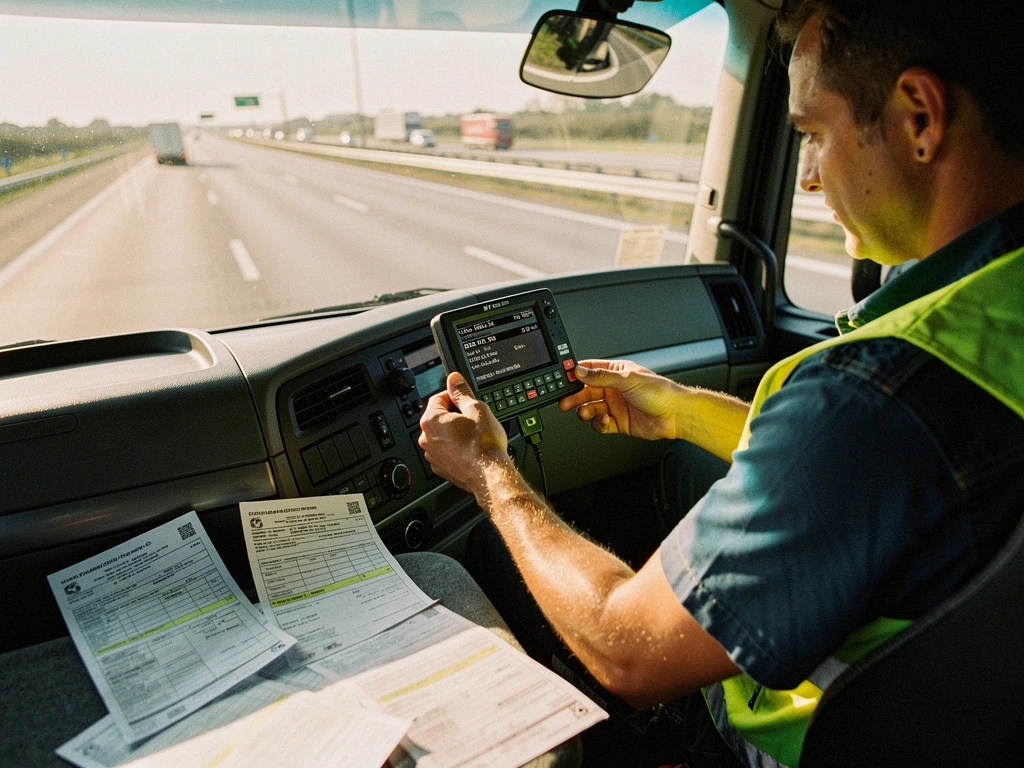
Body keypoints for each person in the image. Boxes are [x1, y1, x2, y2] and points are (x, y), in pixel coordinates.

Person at [418, 0, 1024, 765]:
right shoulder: (979, 326)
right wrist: (682, 410)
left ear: (919, 117)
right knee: (677, 467)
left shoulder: (873, 396)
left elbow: (625, 650)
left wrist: (489, 474)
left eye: (811, 134)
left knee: (493, 555)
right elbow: (883, 481)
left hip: (788, 741)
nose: (805, 179)